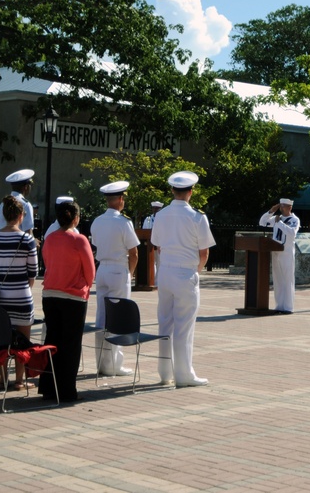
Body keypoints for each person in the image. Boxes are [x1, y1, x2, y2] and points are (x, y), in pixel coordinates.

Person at [151, 171, 215, 387]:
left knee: (165, 323)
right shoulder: (198, 217)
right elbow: (204, 253)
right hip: (186, 273)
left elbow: (157, 245)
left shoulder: (160, 215)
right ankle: (184, 374)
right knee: (184, 326)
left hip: (166, 271)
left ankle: (164, 372)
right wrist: (195, 270)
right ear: (191, 191)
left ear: (172, 190)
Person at [38, 200, 95, 402]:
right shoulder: (80, 240)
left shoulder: (50, 238)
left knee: (51, 340)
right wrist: (85, 287)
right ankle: (66, 390)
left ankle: (47, 387)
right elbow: (90, 271)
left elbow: (46, 261)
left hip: (50, 294)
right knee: (71, 344)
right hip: (73, 296)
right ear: (76, 218)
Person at [0, 196, 38, 390]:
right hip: (21, 295)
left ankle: (2, 378)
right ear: (20, 215)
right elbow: (33, 271)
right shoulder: (27, 239)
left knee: (1, 338)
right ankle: (19, 380)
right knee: (22, 341)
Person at [89, 181, 139, 376]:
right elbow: (133, 253)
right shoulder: (123, 222)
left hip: (102, 270)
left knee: (102, 317)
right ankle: (115, 365)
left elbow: (95, 246)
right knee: (117, 317)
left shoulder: (97, 221)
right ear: (119, 199)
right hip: (118, 269)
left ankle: (102, 363)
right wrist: (130, 273)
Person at [259, 198, 301, 313]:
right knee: (278, 280)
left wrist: (280, 223)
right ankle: (279, 306)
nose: (281, 208)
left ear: (289, 207)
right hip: (275, 251)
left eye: (283, 206)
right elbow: (262, 222)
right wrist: (270, 212)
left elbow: (292, 233)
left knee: (287, 279)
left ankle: (288, 307)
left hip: (286, 252)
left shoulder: (294, 219)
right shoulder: (278, 218)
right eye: (280, 206)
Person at [0, 169, 36, 236]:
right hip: (17, 244)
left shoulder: (3, 204)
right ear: (26, 187)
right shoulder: (25, 205)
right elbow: (28, 233)